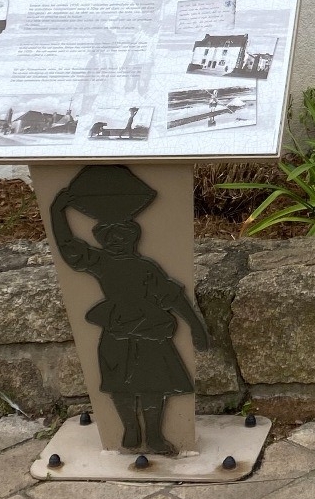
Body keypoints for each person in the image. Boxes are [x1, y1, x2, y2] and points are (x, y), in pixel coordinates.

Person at [50, 188, 209, 454]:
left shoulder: (147, 268)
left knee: (154, 384)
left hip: (151, 329)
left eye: (123, 235)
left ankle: (155, 435)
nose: (116, 241)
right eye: (109, 236)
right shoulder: (100, 262)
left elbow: (173, 297)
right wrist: (57, 211)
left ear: (134, 237)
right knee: (118, 382)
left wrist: (196, 327)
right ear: (101, 239)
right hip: (117, 329)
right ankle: (130, 428)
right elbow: (68, 247)